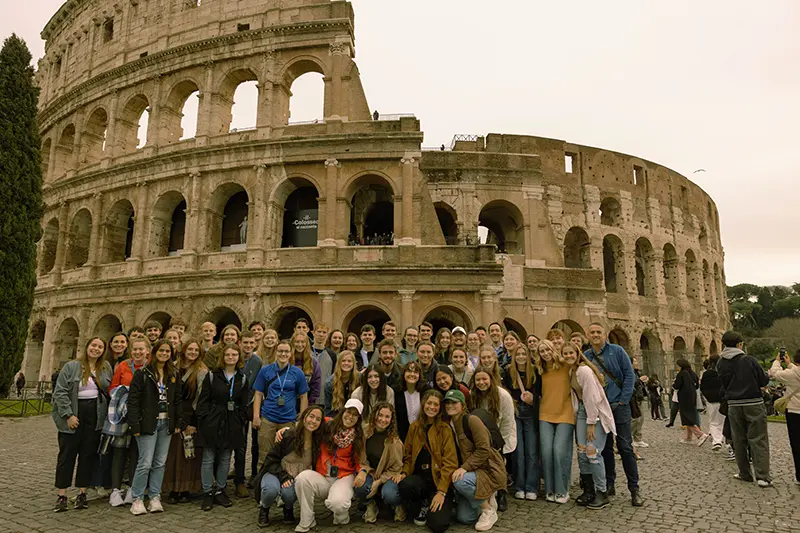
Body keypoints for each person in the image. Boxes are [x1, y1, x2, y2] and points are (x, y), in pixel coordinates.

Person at [584, 323, 643, 506]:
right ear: (588, 334)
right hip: (601, 408)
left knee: (625, 447)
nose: (595, 335)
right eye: (592, 332)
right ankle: (610, 484)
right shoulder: (587, 356)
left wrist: (623, 401)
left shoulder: (616, 351)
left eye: (598, 332)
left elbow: (629, 375)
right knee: (606, 448)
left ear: (605, 334)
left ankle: (634, 488)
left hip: (618, 405)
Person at [52, 337, 113, 512]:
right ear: (87, 347)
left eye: (100, 347)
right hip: (74, 411)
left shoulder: (105, 367)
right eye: (94, 345)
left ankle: (82, 493)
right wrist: (68, 415)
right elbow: (60, 391)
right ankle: (62, 495)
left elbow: (110, 390)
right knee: (67, 456)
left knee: (88, 455)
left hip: (95, 414)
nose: (96, 349)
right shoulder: (72, 366)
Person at [293, 398, 366, 532]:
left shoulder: (358, 436)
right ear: (343, 411)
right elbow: (309, 423)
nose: (350, 417)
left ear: (358, 419)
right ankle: (307, 520)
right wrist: (288, 429)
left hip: (344, 476)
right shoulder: (327, 424)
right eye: (348, 412)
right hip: (323, 475)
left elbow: (360, 460)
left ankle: (341, 515)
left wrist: (362, 471)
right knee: (302, 478)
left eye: (355, 415)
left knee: (337, 504)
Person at [127, 339, 182, 515]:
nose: (164, 354)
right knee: (145, 462)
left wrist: (178, 422)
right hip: (148, 423)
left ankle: (154, 496)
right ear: (154, 352)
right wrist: (134, 424)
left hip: (166, 423)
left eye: (168, 351)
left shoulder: (173, 374)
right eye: (161, 351)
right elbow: (133, 401)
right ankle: (137, 498)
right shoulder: (143, 373)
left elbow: (177, 400)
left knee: (160, 463)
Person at [196, 343, 250, 511]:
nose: (231, 358)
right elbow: (203, 400)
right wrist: (204, 420)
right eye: (228, 355)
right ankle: (207, 492)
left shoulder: (242, 378)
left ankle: (220, 490)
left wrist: (240, 419)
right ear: (223, 357)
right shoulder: (212, 376)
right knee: (209, 457)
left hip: (232, 421)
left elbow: (244, 402)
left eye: (234, 355)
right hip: (213, 419)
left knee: (226, 457)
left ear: (238, 358)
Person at [397, 389, 458, 533]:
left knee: (439, 525)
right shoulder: (415, 427)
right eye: (429, 403)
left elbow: (451, 463)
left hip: (439, 481)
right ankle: (423, 503)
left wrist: (442, 491)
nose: (432, 407)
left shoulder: (445, 429)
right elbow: (408, 455)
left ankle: (440, 502)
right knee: (405, 485)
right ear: (423, 404)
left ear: (439, 408)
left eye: (436, 404)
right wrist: (405, 472)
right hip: (421, 479)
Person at [717, 330, 772, 486]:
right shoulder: (749, 360)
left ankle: (744, 473)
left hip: (733, 404)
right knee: (758, 438)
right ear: (740, 344)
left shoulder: (721, 363)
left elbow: (723, 385)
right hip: (753, 402)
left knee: (738, 439)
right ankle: (762, 476)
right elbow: (763, 380)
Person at [444, 390, 504, 531]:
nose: (450, 405)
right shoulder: (448, 423)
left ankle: (488, 510)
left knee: (459, 480)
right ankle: (486, 496)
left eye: (454, 402)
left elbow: (484, 449)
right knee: (465, 518)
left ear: (462, 405)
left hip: (486, 469)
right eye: (447, 402)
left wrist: (464, 467)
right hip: (472, 471)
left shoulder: (472, 420)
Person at [256, 405, 325, 527]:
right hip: (276, 472)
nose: (313, 421)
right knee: (270, 490)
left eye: (318, 419)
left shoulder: (318, 441)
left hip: (295, 477)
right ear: (304, 417)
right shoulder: (289, 435)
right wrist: (283, 477)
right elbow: (270, 461)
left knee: (289, 494)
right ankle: (264, 509)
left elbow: (336, 422)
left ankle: (288, 508)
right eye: (311, 416)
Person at [565, 345, 616, 510]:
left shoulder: (584, 371)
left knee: (592, 451)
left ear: (577, 353)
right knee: (581, 451)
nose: (568, 355)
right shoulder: (570, 371)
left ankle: (602, 492)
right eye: (565, 353)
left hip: (595, 413)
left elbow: (592, 398)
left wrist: (591, 423)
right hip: (581, 410)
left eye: (571, 352)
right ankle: (589, 490)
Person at [162, 338, 208, 505]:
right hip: (174, 414)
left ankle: (186, 489)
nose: (193, 353)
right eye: (190, 349)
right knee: (173, 454)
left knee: (189, 454)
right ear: (184, 350)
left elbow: (201, 399)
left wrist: (193, 423)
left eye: (196, 350)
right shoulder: (172, 367)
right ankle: (173, 488)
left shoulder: (201, 372)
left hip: (191, 415)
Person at [107, 337, 149, 507]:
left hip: (142, 415)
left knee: (136, 453)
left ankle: (133, 488)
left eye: (141, 349)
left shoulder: (151, 367)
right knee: (119, 452)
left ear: (148, 350)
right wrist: (124, 393)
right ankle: (115, 491)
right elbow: (112, 388)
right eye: (135, 349)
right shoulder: (123, 366)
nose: (138, 352)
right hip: (123, 415)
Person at [253, 340, 309, 466]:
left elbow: (304, 396)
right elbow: (258, 394)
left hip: (288, 419)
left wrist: (302, 416)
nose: (283, 354)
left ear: (290, 354)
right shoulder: (265, 370)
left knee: (287, 455)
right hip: (268, 417)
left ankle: (283, 483)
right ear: (276, 352)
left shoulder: (297, 372)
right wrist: (256, 416)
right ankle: (263, 483)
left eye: (286, 351)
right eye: (280, 351)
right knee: (265, 454)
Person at [469, 365, 516, 511]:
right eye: (478, 380)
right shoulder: (472, 395)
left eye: (484, 379)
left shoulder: (503, 396)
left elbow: (507, 422)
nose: (481, 382)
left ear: (491, 379)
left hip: (500, 435)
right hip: (481, 436)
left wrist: (500, 445)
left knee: (499, 464)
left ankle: (501, 493)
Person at [536, 340, 574, 504]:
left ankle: (562, 490)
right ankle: (550, 490)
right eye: (541, 351)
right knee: (546, 452)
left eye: (547, 349)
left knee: (559, 451)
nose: (545, 353)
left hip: (565, 413)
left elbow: (581, 365)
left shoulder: (566, 365)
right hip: (545, 413)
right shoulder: (540, 370)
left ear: (553, 349)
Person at [354, 402, 405, 523]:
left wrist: (379, 482)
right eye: (380, 415)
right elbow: (360, 457)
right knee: (359, 485)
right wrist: (362, 470)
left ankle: (397, 505)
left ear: (391, 419)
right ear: (375, 415)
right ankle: (370, 505)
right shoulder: (365, 432)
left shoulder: (394, 441)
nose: (383, 419)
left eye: (387, 417)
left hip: (388, 476)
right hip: (371, 472)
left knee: (389, 494)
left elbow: (396, 468)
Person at [503, 345, 540, 501]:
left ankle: (531, 486)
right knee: (518, 451)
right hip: (516, 413)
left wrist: (533, 399)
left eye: (523, 353)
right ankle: (519, 486)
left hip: (530, 413)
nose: (521, 356)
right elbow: (506, 392)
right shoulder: (508, 371)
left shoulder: (535, 371)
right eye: (518, 354)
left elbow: (539, 393)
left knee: (531, 451)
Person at [234, 331, 263, 496]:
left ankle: (253, 474)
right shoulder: (234, 357)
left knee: (254, 442)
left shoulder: (257, 361)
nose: (248, 346)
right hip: (234, 405)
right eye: (245, 342)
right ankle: (239, 478)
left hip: (251, 405)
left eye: (251, 343)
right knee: (239, 443)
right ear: (240, 342)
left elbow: (256, 385)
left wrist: (249, 404)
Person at [769, 348, 800, 485]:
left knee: (797, 444)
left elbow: (774, 373)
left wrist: (777, 361)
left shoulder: (792, 374)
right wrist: (790, 364)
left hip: (794, 411)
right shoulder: (793, 371)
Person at [394, 360, 426, 440]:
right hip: (401, 436)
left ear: (419, 375)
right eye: (409, 371)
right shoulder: (396, 391)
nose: (412, 374)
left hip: (421, 436)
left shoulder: (425, 392)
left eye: (415, 372)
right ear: (403, 373)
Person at [323, 350, 360, 417]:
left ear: (353, 363)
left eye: (349, 361)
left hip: (356, 415)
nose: (346, 363)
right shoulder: (329, 383)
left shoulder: (360, 379)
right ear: (339, 363)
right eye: (343, 361)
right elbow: (328, 409)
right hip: (336, 416)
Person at [700, 355, 725, 450]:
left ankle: (717, 441)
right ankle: (722, 439)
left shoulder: (707, 374)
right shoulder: (722, 372)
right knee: (722, 421)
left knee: (713, 421)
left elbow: (702, 387)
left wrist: (707, 396)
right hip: (722, 399)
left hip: (711, 400)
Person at [291, 331, 322, 405]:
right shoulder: (287, 360)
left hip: (306, 402)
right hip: (287, 403)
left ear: (307, 343)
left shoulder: (313, 362)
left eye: (302, 342)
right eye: (297, 342)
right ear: (292, 343)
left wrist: (309, 405)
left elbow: (316, 386)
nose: (300, 344)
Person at [311, 322, 336, 387]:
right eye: (319, 331)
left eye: (324, 332)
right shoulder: (307, 351)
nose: (321, 335)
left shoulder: (332, 355)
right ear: (313, 333)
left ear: (327, 335)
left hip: (324, 392)